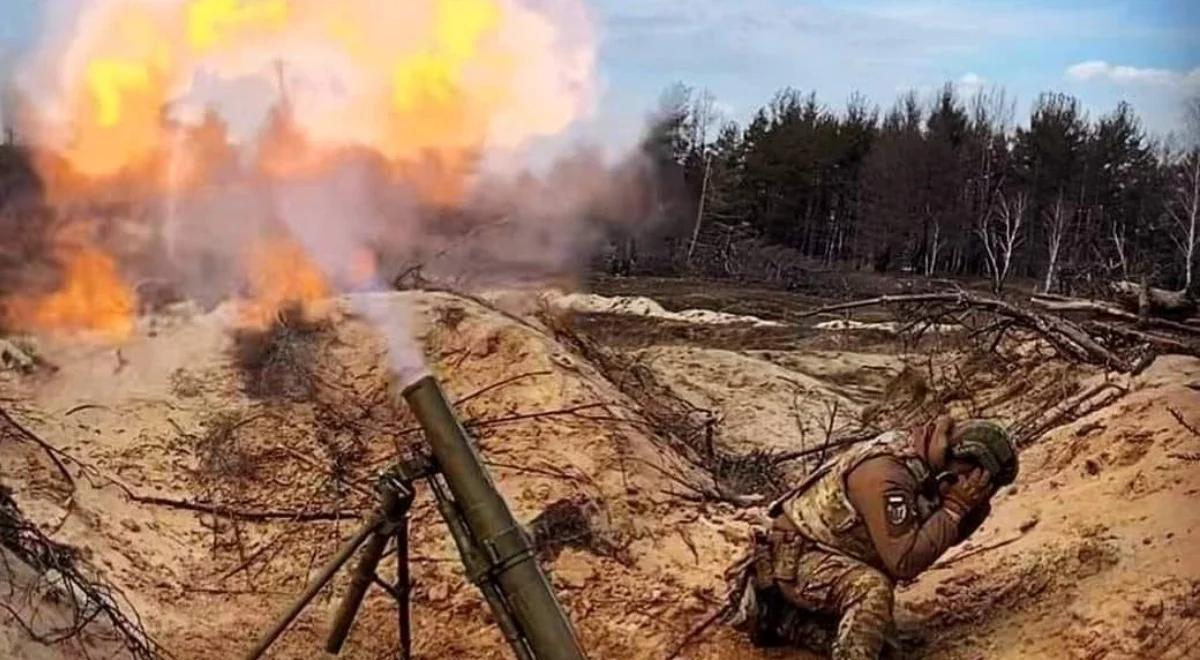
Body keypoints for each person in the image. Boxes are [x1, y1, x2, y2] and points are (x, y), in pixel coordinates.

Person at [728, 416, 1018, 659]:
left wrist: (965, 511)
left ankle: (789, 621)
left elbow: (933, 541)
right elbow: (904, 562)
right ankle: (779, 607)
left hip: (830, 557)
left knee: (885, 652)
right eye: (974, 479)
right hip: (795, 560)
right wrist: (955, 508)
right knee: (872, 592)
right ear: (960, 461)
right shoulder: (888, 473)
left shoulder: (925, 463)